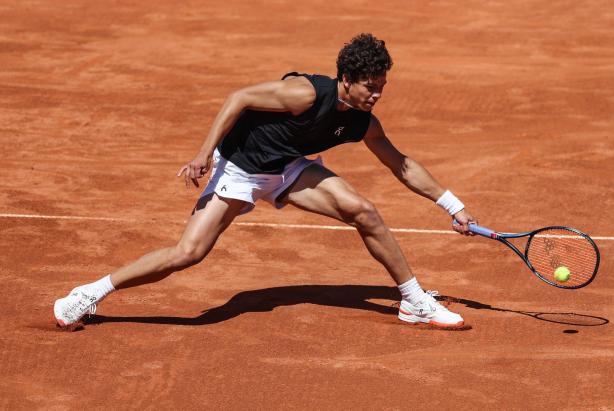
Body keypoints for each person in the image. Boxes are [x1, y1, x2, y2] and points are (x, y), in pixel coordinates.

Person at [54, 33, 477, 330]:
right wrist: (204, 154)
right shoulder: (304, 94)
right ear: (346, 79)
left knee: (363, 211)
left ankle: (413, 300)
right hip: (240, 170)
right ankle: (90, 293)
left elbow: (400, 164)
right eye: (371, 86)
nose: (377, 94)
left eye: (383, 86)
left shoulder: (363, 122)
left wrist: (452, 205)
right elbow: (239, 98)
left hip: (288, 168)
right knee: (188, 253)